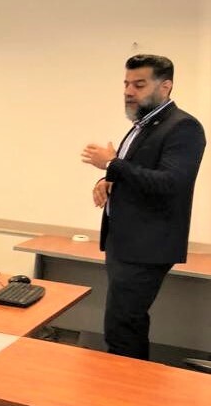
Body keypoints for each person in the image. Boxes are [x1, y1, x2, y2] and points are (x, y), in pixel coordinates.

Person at [81, 54, 206, 360]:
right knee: (123, 325)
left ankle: (125, 387)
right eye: (126, 84)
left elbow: (171, 183)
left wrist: (112, 164)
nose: (128, 91)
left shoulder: (183, 127)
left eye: (139, 85)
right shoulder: (144, 125)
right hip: (126, 243)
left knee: (123, 328)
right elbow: (139, 175)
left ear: (165, 86)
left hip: (146, 246)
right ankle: (125, 384)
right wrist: (108, 179)